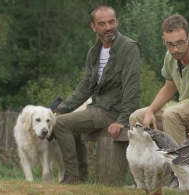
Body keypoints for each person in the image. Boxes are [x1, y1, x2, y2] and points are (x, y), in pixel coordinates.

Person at [53, 5, 141, 184]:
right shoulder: (94, 52)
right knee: (64, 121)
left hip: (112, 112)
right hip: (97, 108)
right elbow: (85, 86)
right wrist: (61, 109)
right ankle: (82, 177)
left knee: (60, 125)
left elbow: (132, 88)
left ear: (116, 22)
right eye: (102, 24)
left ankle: (71, 176)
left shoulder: (128, 47)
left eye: (111, 22)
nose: (108, 27)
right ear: (94, 27)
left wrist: (122, 120)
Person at [129, 14, 189, 147]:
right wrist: (150, 111)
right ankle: (147, 165)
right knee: (137, 118)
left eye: (180, 42)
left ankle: (178, 165)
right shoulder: (170, 56)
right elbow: (169, 87)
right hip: (185, 106)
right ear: (164, 40)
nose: (175, 49)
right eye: (169, 44)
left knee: (171, 114)